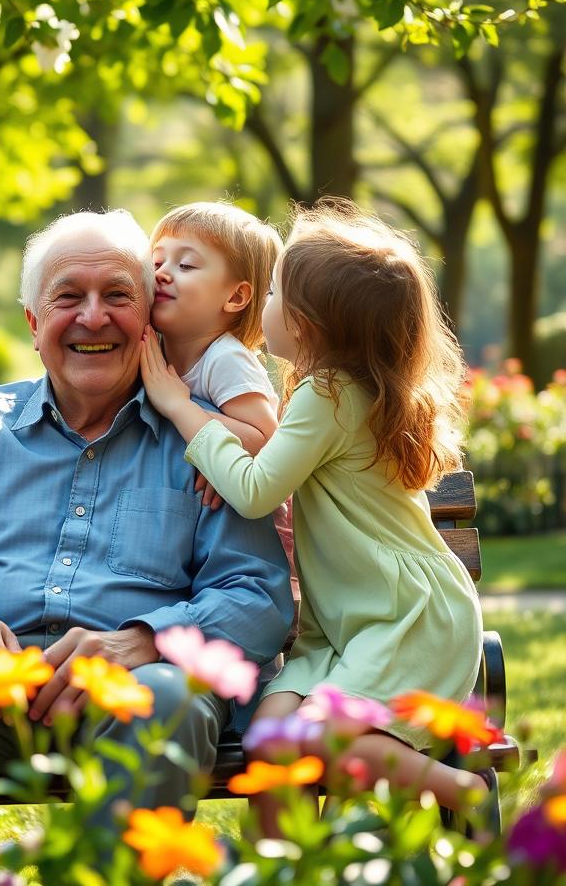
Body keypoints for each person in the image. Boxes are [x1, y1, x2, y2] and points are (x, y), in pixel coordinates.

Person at [0, 210, 294, 881]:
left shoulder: (201, 438)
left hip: (135, 686)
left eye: (117, 296)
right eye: (66, 298)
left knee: (167, 699)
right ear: (31, 323)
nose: (92, 318)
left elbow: (258, 599)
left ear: (150, 319)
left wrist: (142, 640)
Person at [140, 199, 485, 834]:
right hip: (339, 629)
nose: (264, 305)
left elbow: (253, 491)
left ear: (303, 323)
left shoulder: (327, 395)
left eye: (272, 292)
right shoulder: (338, 389)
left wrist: (177, 403)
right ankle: (288, 867)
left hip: (403, 616)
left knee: (319, 737)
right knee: (271, 746)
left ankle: (460, 791)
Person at [149, 202, 297, 602]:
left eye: (186, 266)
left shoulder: (224, 358)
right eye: (157, 260)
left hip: (251, 528)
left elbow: (266, 439)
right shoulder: (154, 347)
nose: (162, 273)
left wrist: (183, 409)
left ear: (235, 296)